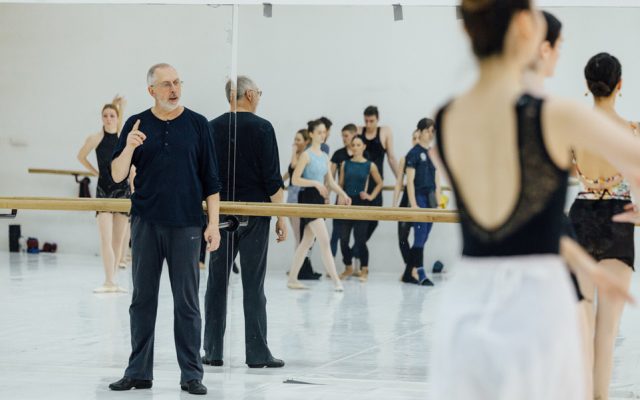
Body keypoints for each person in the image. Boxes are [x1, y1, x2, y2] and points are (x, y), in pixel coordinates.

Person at [430, 2, 637, 399]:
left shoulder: (446, 117)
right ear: (526, 26)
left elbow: (514, 223)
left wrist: (580, 260)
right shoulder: (556, 116)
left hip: (465, 304)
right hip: (535, 304)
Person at [108, 63, 220, 395]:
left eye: (177, 82)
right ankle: (138, 372)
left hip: (186, 224)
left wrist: (213, 224)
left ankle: (191, 375)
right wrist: (129, 146)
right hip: (146, 223)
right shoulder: (136, 123)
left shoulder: (198, 124)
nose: (174, 89)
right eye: (166, 84)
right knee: (142, 300)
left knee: (187, 303)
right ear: (151, 90)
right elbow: (116, 175)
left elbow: (211, 180)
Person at [204, 75, 287, 369]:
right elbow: (272, 179)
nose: (260, 97)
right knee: (254, 285)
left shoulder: (211, 127)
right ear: (249, 94)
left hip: (220, 214)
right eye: (259, 92)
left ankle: (212, 350)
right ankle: (257, 353)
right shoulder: (263, 127)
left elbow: (206, 175)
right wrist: (281, 216)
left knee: (216, 283)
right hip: (255, 214)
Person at [569, 52, 636, 400]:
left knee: (583, 326)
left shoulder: (572, 129)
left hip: (581, 217)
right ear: (619, 85)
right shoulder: (633, 132)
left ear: (587, 85)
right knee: (607, 332)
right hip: (618, 221)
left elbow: (563, 171)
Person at [287, 119, 351, 291]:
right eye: (319, 132)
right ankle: (337, 281)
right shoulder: (306, 155)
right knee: (324, 240)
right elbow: (295, 179)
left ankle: (292, 279)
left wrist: (343, 194)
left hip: (319, 199)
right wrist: (315, 183)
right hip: (308, 198)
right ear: (311, 134)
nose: (323, 135)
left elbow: (330, 182)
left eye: (324, 132)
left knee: (306, 242)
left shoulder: (324, 156)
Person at [77, 95, 131, 293]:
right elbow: (81, 156)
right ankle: (108, 280)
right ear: (101, 118)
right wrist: (95, 172)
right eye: (105, 115)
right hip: (104, 191)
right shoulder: (96, 138)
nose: (108, 119)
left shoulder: (122, 137)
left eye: (112, 115)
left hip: (122, 191)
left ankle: (114, 279)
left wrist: (120, 106)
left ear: (117, 117)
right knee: (105, 239)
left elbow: (121, 124)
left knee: (118, 240)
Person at [403, 118, 442, 286]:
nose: (430, 134)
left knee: (424, 237)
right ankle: (421, 274)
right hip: (419, 197)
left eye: (432, 131)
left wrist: (439, 202)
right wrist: (413, 204)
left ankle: (408, 273)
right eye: (427, 131)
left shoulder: (433, 154)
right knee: (419, 237)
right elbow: (410, 182)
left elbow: (437, 179)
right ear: (419, 132)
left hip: (430, 198)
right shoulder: (413, 154)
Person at [338, 135, 383, 282]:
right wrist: (341, 198)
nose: (355, 147)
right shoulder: (345, 164)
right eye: (353, 145)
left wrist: (370, 196)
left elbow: (380, 183)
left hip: (362, 204)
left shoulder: (370, 165)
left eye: (358, 145)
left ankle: (364, 268)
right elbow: (340, 184)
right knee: (343, 239)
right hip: (347, 204)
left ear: (364, 147)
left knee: (360, 240)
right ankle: (348, 267)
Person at [282, 128, 321, 280]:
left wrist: (293, 152)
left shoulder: (304, 157)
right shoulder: (300, 156)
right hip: (292, 201)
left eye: (298, 140)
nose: (295, 142)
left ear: (306, 142)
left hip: (300, 200)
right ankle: (298, 268)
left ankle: (299, 269)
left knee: (303, 237)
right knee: (299, 236)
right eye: (295, 139)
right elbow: (289, 173)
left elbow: (293, 166)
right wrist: (278, 182)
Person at [357, 106, 399, 240]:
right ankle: (358, 248)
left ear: (378, 119)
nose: (368, 124)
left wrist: (400, 180)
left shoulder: (385, 131)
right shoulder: (359, 131)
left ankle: (357, 248)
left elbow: (391, 158)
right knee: (361, 222)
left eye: (371, 121)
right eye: (366, 121)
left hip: (377, 183)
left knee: (374, 221)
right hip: (360, 184)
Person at [393, 129, 420, 276]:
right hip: (406, 201)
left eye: (418, 138)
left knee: (418, 239)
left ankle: (413, 270)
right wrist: (394, 204)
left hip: (420, 201)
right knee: (402, 239)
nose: (416, 141)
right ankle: (411, 269)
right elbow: (399, 183)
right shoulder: (405, 159)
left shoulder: (427, 158)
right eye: (414, 138)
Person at [329, 124, 357, 265]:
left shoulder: (362, 153)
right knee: (336, 233)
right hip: (341, 198)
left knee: (358, 235)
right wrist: (328, 196)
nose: (344, 139)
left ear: (354, 134)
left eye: (346, 136)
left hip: (358, 199)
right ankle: (331, 266)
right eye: (342, 136)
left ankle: (355, 264)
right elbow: (330, 177)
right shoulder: (338, 154)